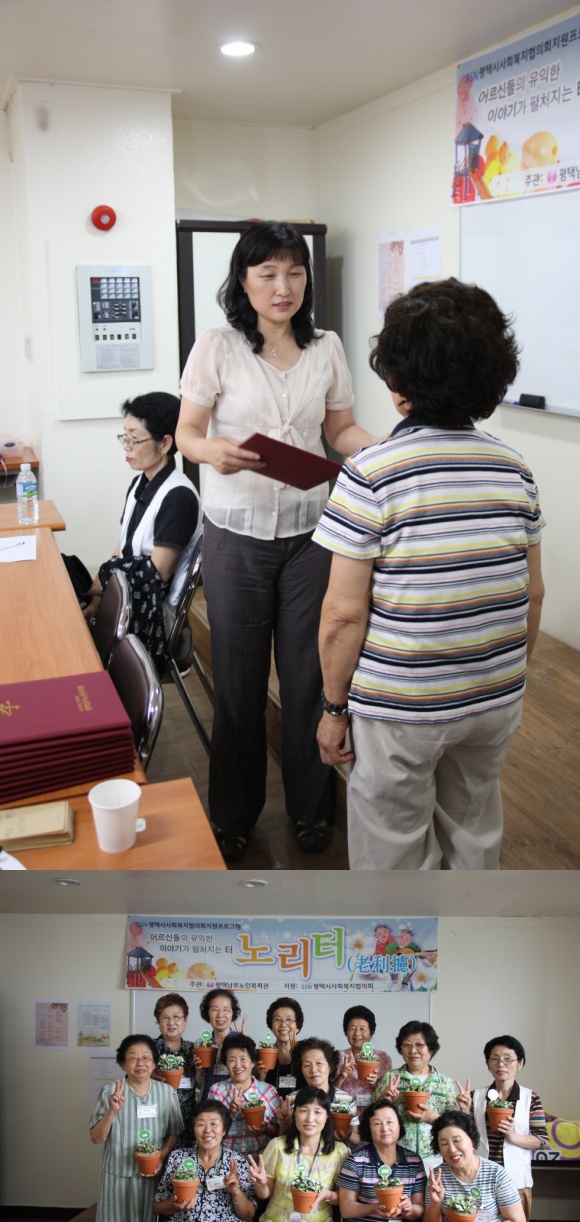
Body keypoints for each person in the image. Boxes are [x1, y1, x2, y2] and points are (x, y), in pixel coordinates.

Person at [313, 278, 545, 870]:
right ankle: (469, 925)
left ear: (397, 381)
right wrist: (502, 678)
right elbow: (533, 594)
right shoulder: (514, 469)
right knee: (475, 836)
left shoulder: (371, 473)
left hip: (401, 708)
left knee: (393, 854)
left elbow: (342, 616)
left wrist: (334, 709)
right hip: (493, 697)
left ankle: (404, 936)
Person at [176, 220, 373, 861]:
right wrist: (212, 452)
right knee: (237, 683)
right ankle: (234, 815)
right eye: (268, 274)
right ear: (244, 281)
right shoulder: (219, 346)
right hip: (236, 536)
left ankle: (312, 809)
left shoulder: (326, 347)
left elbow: (339, 432)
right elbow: (187, 432)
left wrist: (387, 449)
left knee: (309, 676)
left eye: (294, 272)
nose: (283, 286)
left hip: (313, 536)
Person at [83, 392, 200, 669]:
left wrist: (104, 581)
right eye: (124, 437)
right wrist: (98, 592)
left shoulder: (178, 496)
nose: (126, 446)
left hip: (153, 609)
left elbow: (159, 572)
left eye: (134, 439)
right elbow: (123, 544)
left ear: (165, 443)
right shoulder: (139, 483)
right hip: (127, 595)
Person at [89, 1033, 183, 1222]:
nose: (140, 1063)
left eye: (146, 1057)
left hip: (151, 1176)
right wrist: (112, 1111)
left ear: (154, 1063)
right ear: (123, 1064)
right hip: (116, 1174)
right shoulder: (110, 1093)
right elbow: (96, 1138)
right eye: (133, 1057)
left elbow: (175, 1131)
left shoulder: (166, 1092)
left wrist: (161, 1157)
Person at [456, 1035, 548, 1222]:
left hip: (516, 1180)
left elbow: (541, 1140)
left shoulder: (530, 1098)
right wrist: (464, 1111)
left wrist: (514, 1136)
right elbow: (464, 1138)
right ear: (488, 1064)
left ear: (520, 1064)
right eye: (495, 1059)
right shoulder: (476, 1097)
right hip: (481, 1177)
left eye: (508, 1059)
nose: (501, 1064)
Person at [249, 1085, 349, 1222]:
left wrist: (328, 1195)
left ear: (327, 1117)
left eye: (317, 1112)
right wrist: (261, 1183)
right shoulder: (277, 1146)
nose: (310, 1118)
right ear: (295, 1114)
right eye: (303, 1111)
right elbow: (264, 1194)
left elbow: (345, 1198)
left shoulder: (339, 1152)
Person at [152, 1098, 255, 1222]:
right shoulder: (178, 1158)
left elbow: (248, 1214)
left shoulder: (237, 1161)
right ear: (194, 1130)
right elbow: (157, 1206)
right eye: (200, 1124)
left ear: (224, 1130)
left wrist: (236, 1192)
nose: (207, 1130)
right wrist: (175, 1205)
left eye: (214, 1124)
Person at [424, 1110, 526, 1222]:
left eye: (457, 1140)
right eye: (444, 1143)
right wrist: (435, 1204)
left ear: (472, 1140)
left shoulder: (496, 1174)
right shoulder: (437, 1177)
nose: (452, 1149)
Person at [338, 1097, 426, 1222]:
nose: (385, 1128)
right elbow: (346, 1209)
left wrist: (409, 1209)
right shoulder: (355, 1161)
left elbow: (419, 1207)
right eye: (377, 1123)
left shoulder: (414, 1161)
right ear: (368, 1129)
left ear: (399, 1126)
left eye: (390, 1122)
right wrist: (374, 1208)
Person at [371, 1021, 459, 1165]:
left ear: (431, 1048)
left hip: (433, 1157)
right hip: (395, 1156)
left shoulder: (444, 1082)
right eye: (407, 1045)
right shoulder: (390, 1078)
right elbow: (371, 1117)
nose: (413, 1051)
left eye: (419, 1045)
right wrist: (385, 1100)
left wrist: (433, 1118)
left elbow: (455, 1125)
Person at [208, 1033, 281, 1157]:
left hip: (261, 1161)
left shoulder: (269, 1091)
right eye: (232, 1060)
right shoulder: (217, 1090)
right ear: (226, 1064)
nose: (237, 1065)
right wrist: (229, 1114)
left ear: (253, 1062)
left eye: (243, 1059)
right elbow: (210, 1131)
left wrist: (267, 1129)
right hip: (227, 1161)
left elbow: (279, 1130)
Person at [286, 1037, 359, 1142]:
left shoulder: (346, 1100)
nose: (313, 1070)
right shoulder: (292, 1099)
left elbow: (357, 1140)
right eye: (307, 1065)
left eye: (319, 1063)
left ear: (330, 1067)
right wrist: (286, 1124)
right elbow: (282, 1136)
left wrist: (348, 1135)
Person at [153, 995, 197, 1133]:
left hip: (189, 1124)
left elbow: (203, 1083)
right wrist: (147, 1076)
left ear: (185, 1019)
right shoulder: (148, 1050)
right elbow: (130, 1081)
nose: (171, 1022)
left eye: (176, 1017)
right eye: (165, 1018)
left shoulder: (193, 1050)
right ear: (158, 1021)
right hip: (157, 1124)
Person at [335, 1006, 392, 1110]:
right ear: (346, 1032)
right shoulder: (338, 1057)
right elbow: (329, 1092)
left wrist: (375, 1084)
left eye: (362, 1029)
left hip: (375, 1116)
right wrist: (341, 1077)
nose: (357, 1033)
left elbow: (389, 1095)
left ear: (371, 1032)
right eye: (352, 1029)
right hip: (346, 1114)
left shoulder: (383, 1058)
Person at [194, 989, 245, 1100]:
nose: (220, 1015)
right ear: (207, 1012)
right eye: (215, 1010)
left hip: (233, 1101)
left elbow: (249, 1079)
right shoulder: (200, 1043)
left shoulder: (241, 1042)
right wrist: (200, 1073)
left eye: (226, 1010)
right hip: (207, 1101)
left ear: (233, 1013)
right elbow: (198, 1085)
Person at [255, 997, 305, 1094]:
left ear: (297, 1026)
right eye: (278, 1020)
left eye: (289, 1019)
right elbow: (258, 1095)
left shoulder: (306, 1053)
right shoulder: (264, 1055)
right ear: (271, 1026)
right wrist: (262, 1077)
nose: (283, 1024)